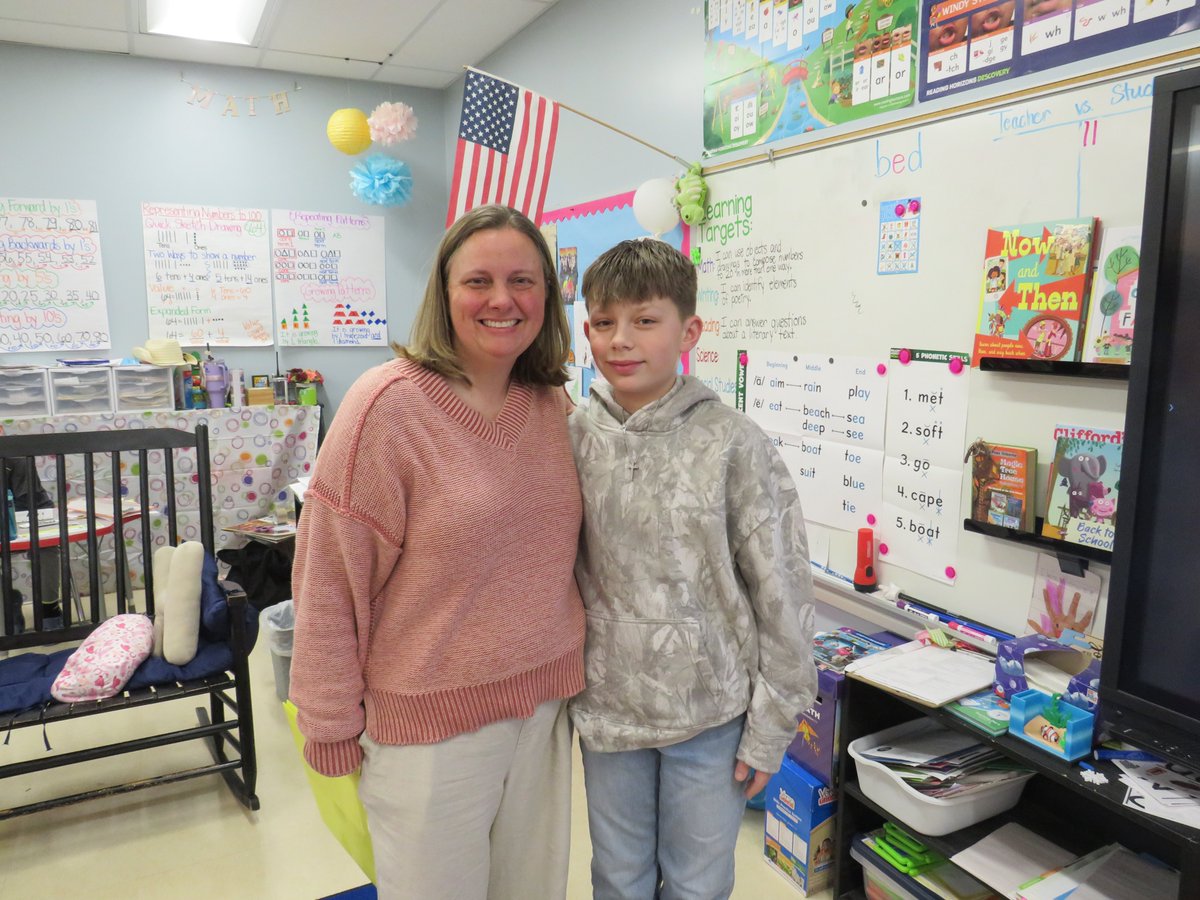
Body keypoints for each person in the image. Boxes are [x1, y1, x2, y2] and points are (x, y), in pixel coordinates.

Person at [288, 205, 586, 900]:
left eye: (523, 280)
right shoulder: (386, 407)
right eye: (477, 280)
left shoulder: (552, 405)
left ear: (547, 293)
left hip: (543, 710)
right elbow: (331, 577)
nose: (503, 300)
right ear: (444, 295)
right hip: (429, 732)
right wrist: (327, 719)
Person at [568, 238, 817, 899]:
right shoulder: (569, 437)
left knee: (697, 885)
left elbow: (784, 592)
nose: (621, 340)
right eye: (602, 322)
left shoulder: (734, 443)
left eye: (645, 320)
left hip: (711, 716)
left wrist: (770, 730)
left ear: (689, 330)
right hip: (608, 709)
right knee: (617, 879)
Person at [3, 457, 64, 633]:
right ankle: (7, 605)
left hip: (26, 514)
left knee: (46, 546)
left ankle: (49, 608)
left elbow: (31, 501)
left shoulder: (16, 458)